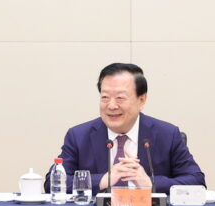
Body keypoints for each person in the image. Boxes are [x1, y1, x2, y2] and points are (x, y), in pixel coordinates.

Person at [47, 63, 205, 193]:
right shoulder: (79, 136)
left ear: (141, 100)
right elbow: (52, 183)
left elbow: (197, 181)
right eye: (105, 97)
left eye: (120, 98)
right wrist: (103, 180)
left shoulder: (167, 134)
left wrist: (149, 183)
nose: (111, 106)